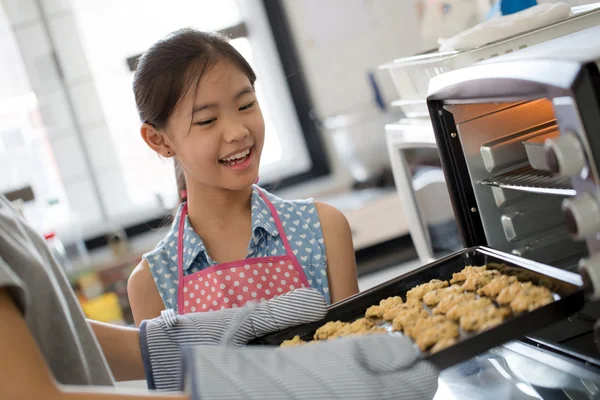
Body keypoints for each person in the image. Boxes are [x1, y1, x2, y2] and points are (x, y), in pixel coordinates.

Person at [0, 195, 439, 399]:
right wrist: (249, 389)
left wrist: (191, 337)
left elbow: (48, 336)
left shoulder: (318, 223)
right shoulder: (152, 275)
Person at [127, 28, 359, 324]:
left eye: (246, 105)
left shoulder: (323, 229)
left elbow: (359, 352)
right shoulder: (152, 284)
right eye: (207, 120)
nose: (238, 131)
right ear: (160, 141)